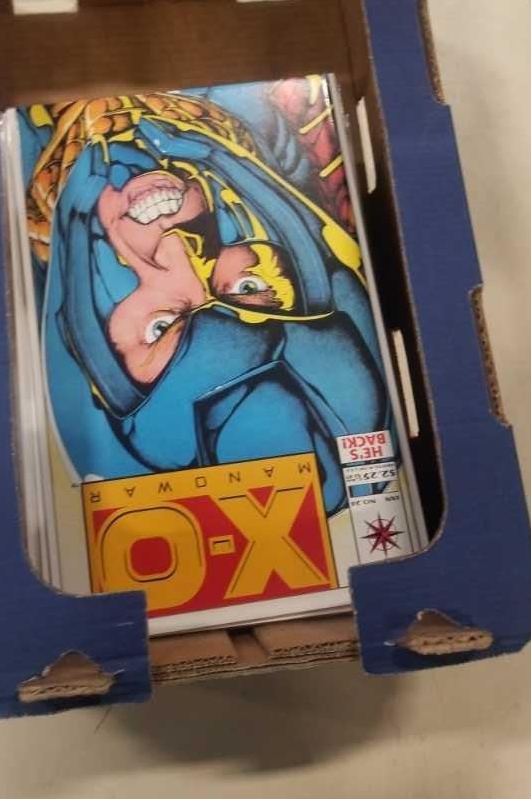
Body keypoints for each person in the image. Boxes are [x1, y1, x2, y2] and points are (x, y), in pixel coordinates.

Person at [19, 78, 389, 515]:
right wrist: (218, 154)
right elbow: (318, 265)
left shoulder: (49, 213)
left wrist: (75, 219)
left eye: (164, 325)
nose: (183, 262)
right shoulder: (260, 129)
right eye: (247, 290)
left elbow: (80, 335)